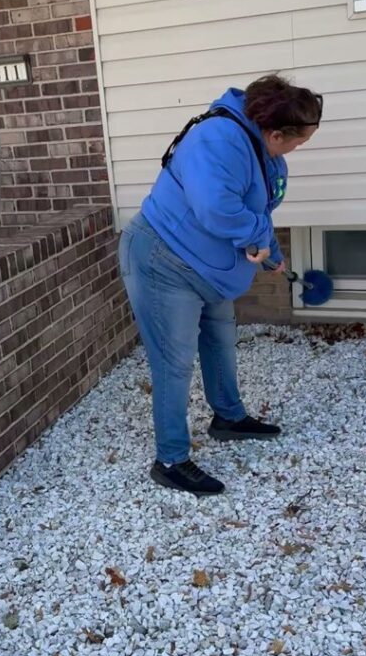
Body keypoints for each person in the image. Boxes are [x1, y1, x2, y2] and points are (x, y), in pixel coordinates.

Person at [118, 73, 323, 497]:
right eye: (298, 142)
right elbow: (217, 209)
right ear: (274, 132)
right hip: (164, 261)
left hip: (207, 267)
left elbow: (255, 206)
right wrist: (255, 237)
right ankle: (171, 459)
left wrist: (272, 250)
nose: (299, 150)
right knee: (174, 363)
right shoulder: (220, 140)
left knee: (220, 341)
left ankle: (227, 417)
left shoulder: (259, 148)